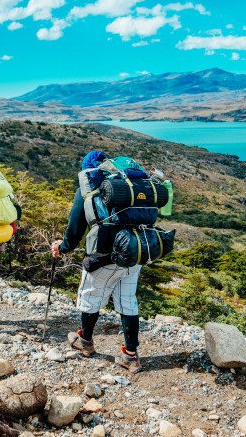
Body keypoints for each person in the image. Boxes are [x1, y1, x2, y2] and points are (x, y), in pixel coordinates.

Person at [51, 151, 143, 373]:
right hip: (135, 251)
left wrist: (61, 247)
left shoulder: (89, 190)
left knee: (90, 297)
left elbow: (75, 229)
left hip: (105, 254)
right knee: (128, 301)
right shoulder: (130, 186)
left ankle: (85, 341)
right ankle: (130, 355)